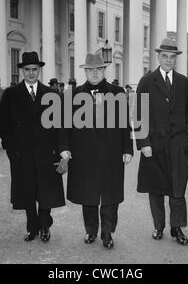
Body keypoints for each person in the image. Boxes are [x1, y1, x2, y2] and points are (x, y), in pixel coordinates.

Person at [60, 53, 133, 249]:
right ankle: (91, 230)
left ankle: (107, 232)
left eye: (98, 69)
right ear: (85, 71)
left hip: (111, 152)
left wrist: (128, 149)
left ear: (104, 71)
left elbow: (125, 124)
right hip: (84, 154)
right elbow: (64, 125)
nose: (94, 73)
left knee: (110, 196)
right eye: (90, 70)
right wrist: (64, 148)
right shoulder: (73, 95)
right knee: (88, 195)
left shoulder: (117, 92)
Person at [0, 51, 66, 243]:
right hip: (22, 154)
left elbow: (60, 124)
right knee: (26, 192)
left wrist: (59, 150)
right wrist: (11, 149)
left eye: (34, 69)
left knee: (46, 191)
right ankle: (31, 227)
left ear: (39, 70)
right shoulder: (11, 94)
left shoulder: (51, 94)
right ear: (22, 71)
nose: (31, 73)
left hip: (46, 152)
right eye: (27, 70)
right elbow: (3, 124)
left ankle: (44, 225)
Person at [135, 38, 188, 246]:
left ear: (176, 59)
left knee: (178, 188)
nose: (169, 60)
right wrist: (144, 143)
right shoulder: (147, 81)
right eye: (165, 56)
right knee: (156, 188)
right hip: (154, 144)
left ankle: (177, 228)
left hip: (177, 144)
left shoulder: (183, 82)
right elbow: (139, 115)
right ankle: (158, 226)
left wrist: (187, 134)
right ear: (158, 57)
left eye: (172, 57)